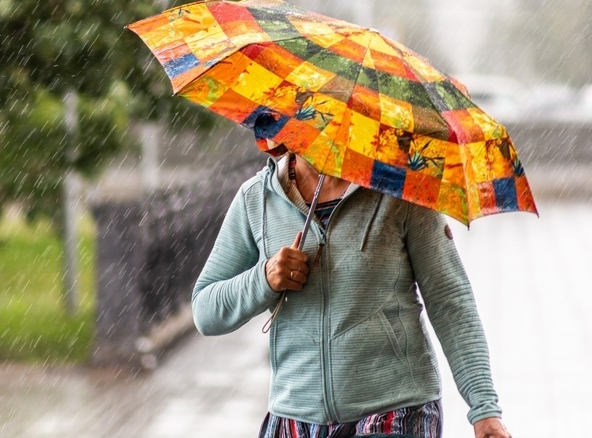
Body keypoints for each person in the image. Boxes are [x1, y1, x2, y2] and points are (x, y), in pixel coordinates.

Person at [191, 143, 512, 438]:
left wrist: (483, 407)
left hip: (394, 410)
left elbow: (450, 302)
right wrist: (263, 279)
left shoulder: (403, 192)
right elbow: (206, 311)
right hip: (294, 413)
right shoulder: (255, 199)